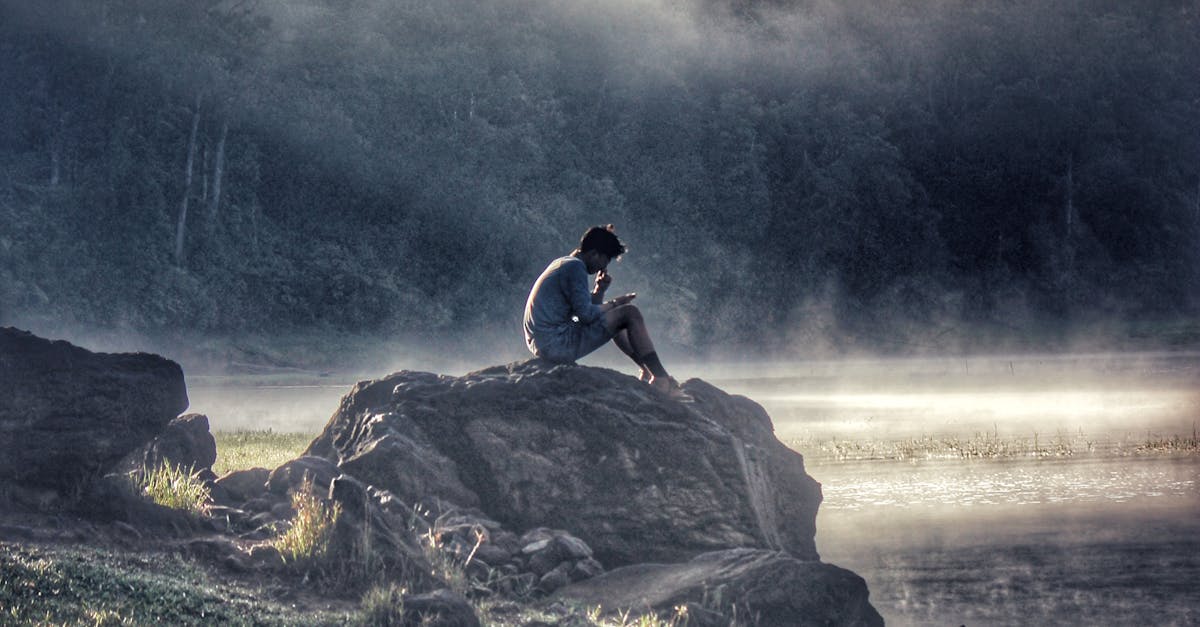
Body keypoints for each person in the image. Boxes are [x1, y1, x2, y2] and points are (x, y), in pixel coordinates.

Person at [523, 225, 688, 399]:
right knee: (629, 313)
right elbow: (587, 316)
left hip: (545, 343)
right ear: (594, 254)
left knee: (618, 314)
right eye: (605, 260)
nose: (604, 266)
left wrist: (599, 290)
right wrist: (615, 302)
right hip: (556, 344)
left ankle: (647, 370)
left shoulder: (563, 263)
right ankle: (661, 378)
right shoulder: (575, 268)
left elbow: (588, 312)